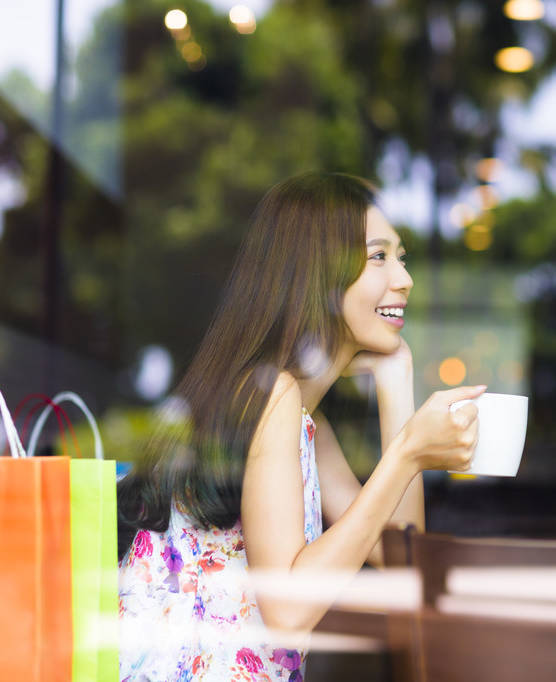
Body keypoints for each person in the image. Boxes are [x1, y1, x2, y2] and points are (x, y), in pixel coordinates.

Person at [116, 170, 483, 681]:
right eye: (379, 256)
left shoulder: (309, 427)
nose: (404, 278)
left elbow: (403, 553)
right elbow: (288, 613)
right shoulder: (271, 395)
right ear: (319, 274)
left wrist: (396, 383)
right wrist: (406, 456)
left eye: (401, 257)